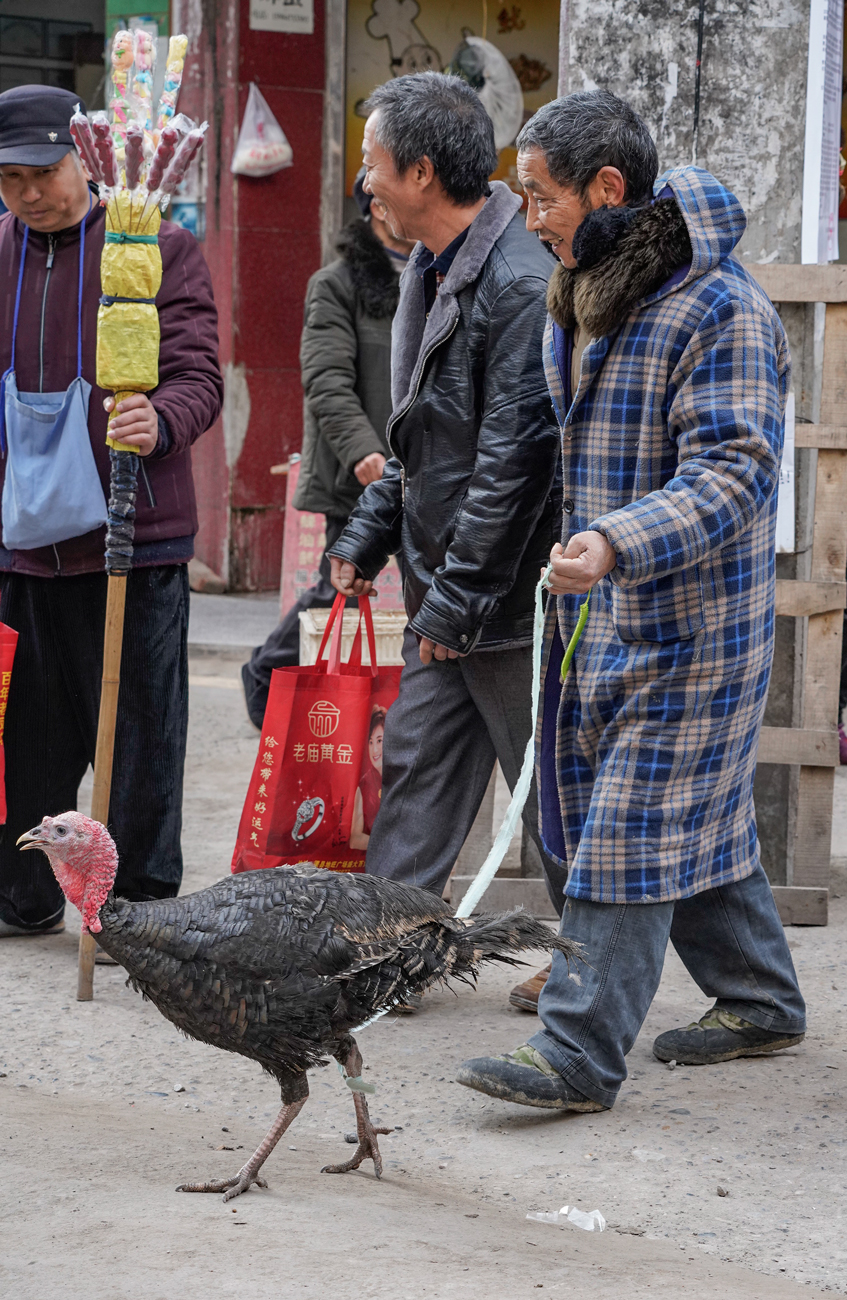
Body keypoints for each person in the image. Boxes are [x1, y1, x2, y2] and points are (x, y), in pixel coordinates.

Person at [456, 90, 806, 1113]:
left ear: (607, 189)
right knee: (689, 823)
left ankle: (576, 1054)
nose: (530, 219)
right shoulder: (591, 289)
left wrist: (615, 539)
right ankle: (760, 999)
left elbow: (737, 469)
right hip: (599, 618)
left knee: (628, 826)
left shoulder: (718, 308)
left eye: (540, 197)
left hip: (695, 626)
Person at [328, 72, 568, 918]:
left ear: (421, 173)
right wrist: (365, 537)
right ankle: (387, 948)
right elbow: (419, 438)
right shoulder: (433, 269)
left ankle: (588, 974)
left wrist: (456, 603)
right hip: (447, 590)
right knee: (421, 768)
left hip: (502, 602)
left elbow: (515, 464)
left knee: (549, 797)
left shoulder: (513, 280)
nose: (366, 182)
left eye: (373, 162)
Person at [0, 85, 223, 936]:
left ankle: (135, 914)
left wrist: (158, 418)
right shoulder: (0, 251)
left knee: (139, 743)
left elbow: (199, 375)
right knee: (25, 737)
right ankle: (20, 897)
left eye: (44, 172)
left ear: (84, 159)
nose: (27, 193)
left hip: (136, 540)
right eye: (9, 177)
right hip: (23, 547)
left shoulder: (159, 246)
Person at [240, 174, 414, 728]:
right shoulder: (336, 284)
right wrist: (366, 452)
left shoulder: (438, 271)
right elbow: (327, 381)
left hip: (424, 467)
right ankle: (269, 676)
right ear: (376, 209)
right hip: (359, 473)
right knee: (338, 587)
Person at [350, 705, 386, 850]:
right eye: (370, 742)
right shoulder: (364, 785)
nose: (374, 749)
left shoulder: (402, 775)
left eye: (379, 741)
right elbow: (355, 839)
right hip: (372, 867)